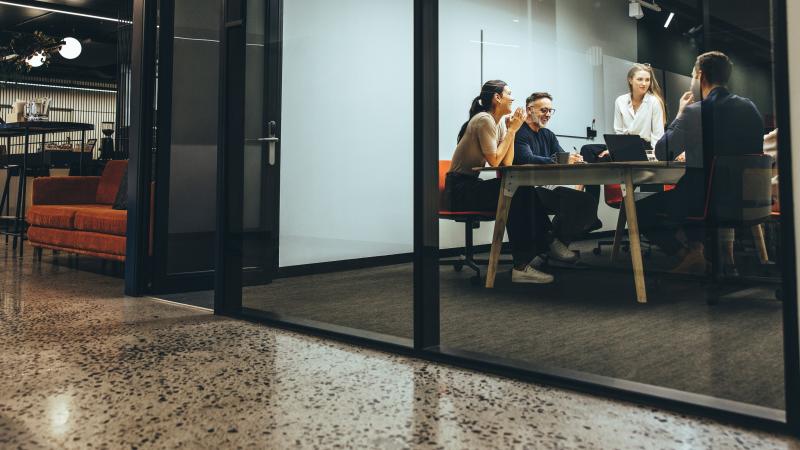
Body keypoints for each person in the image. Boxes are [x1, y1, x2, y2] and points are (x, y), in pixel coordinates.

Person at [636, 51, 764, 273]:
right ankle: (700, 252)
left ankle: (688, 254)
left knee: (640, 211)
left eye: (692, 75)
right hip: (746, 197)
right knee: (691, 188)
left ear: (701, 76)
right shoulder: (750, 108)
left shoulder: (697, 112)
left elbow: (663, 152)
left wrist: (680, 113)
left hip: (707, 199)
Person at [445, 80, 554, 284]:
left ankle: (542, 246)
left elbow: (507, 162)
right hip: (460, 190)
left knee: (521, 190)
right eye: (509, 94)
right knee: (517, 192)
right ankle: (529, 260)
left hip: (471, 186)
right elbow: (494, 161)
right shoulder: (484, 120)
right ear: (497, 98)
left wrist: (510, 129)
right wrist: (512, 131)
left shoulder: (499, 122)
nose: (513, 98)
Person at [513, 92, 600, 265]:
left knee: (586, 200)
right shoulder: (520, 132)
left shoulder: (548, 134)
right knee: (576, 203)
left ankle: (556, 241)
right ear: (529, 110)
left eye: (550, 111)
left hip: (547, 187)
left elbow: (561, 157)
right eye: (543, 110)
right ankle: (553, 243)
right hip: (527, 190)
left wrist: (574, 160)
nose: (547, 115)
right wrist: (559, 159)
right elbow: (527, 159)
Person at [582, 63, 667, 205]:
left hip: (644, 148)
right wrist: (612, 149)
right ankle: (590, 210)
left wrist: (654, 157)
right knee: (587, 150)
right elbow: (619, 131)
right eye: (640, 79)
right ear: (630, 80)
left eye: (647, 80)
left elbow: (658, 135)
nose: (644, 83)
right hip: (623, 146)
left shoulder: (654, 102)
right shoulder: (620, 101)